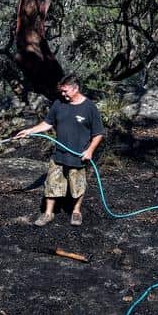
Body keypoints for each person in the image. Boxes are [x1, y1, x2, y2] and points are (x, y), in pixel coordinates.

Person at [14, 74, 104, 226]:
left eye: (66, 91)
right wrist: (29, 130)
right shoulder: (58, 104)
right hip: (59, 155)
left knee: (78, 186)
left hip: (79, 156)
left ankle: (76, 211)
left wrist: (90, 151)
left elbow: (98, 134)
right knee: (51, 184)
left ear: (76, 89)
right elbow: (47, 124)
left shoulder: (89, 108)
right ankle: (48, 214)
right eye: (61, 91)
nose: (63, 94)